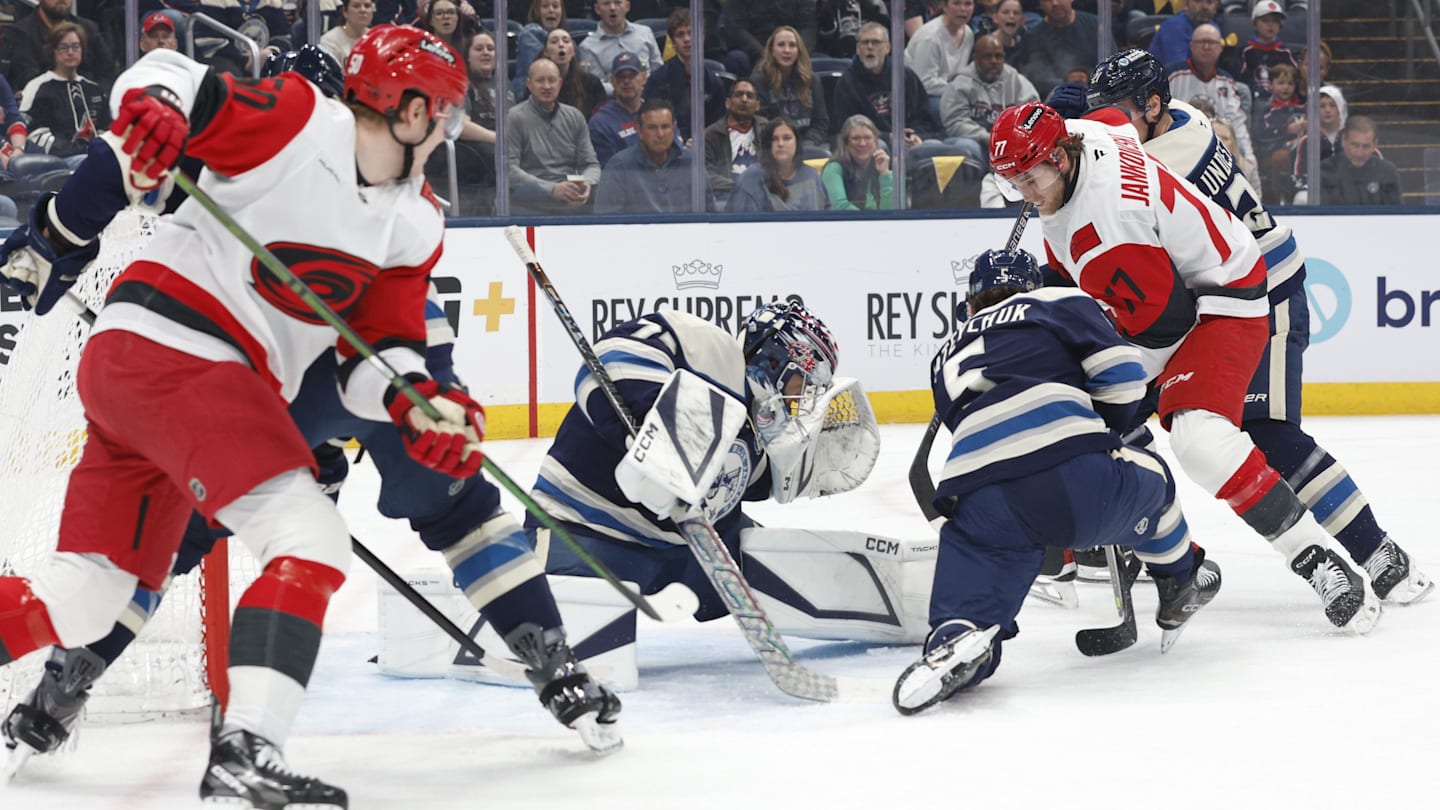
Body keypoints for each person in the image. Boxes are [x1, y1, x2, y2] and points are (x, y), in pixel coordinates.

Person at [0, 25, 491, 807]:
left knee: (86, 596)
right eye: (446, 118)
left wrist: (419, 404)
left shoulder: (412, 224)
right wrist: (157, 110)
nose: (447, 136)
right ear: (408, 111)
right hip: (179, 350)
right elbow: (165, 76)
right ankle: (247, 748)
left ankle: (239, 745)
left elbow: (372, 360)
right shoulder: (301, 121)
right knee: (309, 534)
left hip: (148, 373)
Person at [989, 98, 1385, 633]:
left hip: (1221, 299)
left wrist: (1060, 328)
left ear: (1061, 157)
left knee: (1198, 440)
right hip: (1176, 284)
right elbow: (1112, 118)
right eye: (1014, 182)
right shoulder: (1087, 134)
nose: (1025, 194)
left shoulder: (1108, 231)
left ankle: (1318, 562)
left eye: (1030, 178)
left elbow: (1162, 322)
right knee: (1085, 412)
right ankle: (1177, 561)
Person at [892, 248, 1220, 715]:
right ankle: (1179, 582)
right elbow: (1125, 381)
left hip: (976, 496)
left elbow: (970, 426)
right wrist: (1105, 427)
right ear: (1035, 282)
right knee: (1156, 478)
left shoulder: (945, 353)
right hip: (1072, 477)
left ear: (969, 306)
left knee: (968, 608)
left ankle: (956, 640)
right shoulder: (1056, 301)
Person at [526, 301, 850, 622]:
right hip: (586, 530)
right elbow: (610, 357)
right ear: (776, 362)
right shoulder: (708, 350)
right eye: (803, 384)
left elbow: (750, 487)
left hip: (680, 553)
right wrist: (656, 431)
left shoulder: (757, 433)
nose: (801, 401)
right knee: (565, 623)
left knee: (777, 566)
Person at [831, 22, 947, 162]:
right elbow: (846, 128)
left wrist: (917, 136)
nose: (870, 47)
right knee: (878, 147)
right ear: (857, 48)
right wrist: (888, 137)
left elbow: (924, 117)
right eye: (865, 42)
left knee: (934, 147)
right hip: (873, 143)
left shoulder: (905, 75)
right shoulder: (847, 82)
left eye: (876, 42)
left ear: (887, 48)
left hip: (910, 141)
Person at [1166, 23, 1258, 195]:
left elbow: (1238, 124)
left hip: (1218, 151)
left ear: (1220, 48)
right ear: (1191, 46)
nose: (1206, 47)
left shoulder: (1227, 81)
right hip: (1181, 148)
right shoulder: (1173, 75)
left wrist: (1250, 159)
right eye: (1201, 42)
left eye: (1212, 42)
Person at [508, 57, 602, 214]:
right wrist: (552, 189)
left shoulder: (575, 116)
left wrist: (586, 183)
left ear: (560, 83)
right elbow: (508, 170)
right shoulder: (514, 117)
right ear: (528, 84)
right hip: (531, 201)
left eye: (552, 80)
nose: (547, 86)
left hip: (571, 197)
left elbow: (591, 164)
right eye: (540, 80)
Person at [595, 99, 711, 213]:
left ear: (673, 129)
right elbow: (606, 223)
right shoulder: (619, 166)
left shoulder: (691, 163)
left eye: (665, 127)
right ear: (639, 131)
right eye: (652, 128)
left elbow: (710, 216)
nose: (660, 134)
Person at [19, 24, 110, 169]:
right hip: (56, 163)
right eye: (63, 47)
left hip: (94, 158)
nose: (70, 52)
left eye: (76, 46)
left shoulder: (94, 89)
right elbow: (32, 133)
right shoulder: (38, 87)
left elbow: (107, 128)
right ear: (53, 51)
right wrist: (74, 150)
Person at [939, 32, 1038, 164]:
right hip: (975, 143)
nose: (994, 61)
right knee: (966, 147)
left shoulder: (1017, 82)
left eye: (998, 56)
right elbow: (955, 122)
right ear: (975, 58)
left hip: (1011, 145)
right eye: (987, 57)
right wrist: (987, 138)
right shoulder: (960, 84)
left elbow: (1034, 115)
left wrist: (1015, 137)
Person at [643, 9, 725, 142]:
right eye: (680, 35)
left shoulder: (714, 82)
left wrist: (703, 141)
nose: (687, 39)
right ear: (673, 42)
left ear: (702, 36)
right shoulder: (658, 79)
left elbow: (718, 125)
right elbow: (651, 122)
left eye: (691, 33)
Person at [0, 0, 116, 93]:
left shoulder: (88, 29)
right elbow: (28, 79)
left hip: (90, 106)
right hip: (44, 108)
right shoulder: (20, 33)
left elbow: (107, 72)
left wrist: (94, 95)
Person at [749, 26, 831, 154]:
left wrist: (806, 144)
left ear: (799, 51)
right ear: (772, 50)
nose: (787, 50)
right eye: (781, 45)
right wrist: (783, 144)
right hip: (774, 147)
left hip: (807, 146)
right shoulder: (759, 81)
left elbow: (820, 122)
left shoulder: (812, 80)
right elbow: (760, 124)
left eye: (792, 45)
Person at [726, 117, 829, 211]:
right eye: (774, 139)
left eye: (787, 138)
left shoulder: (811, 176)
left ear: (797, 143)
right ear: (767, 145)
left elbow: (827, 215)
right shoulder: (750, 178)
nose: (780, 144)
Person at [904, 0, 976, 119]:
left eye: (968, 4)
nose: (963, 9)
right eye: (956, 3)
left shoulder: (968, 33)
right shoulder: (930, 37)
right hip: (918, 97)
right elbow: (925, 83)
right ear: (945, 7)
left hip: (947, 91)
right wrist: (959, 90)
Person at [703, 78, 768, 207]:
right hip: (726, 197)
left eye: (750, 96)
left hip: (763, 195)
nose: (744, 99)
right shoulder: (710, 135)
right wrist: (741, 186)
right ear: (728, 102)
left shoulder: (767, 129)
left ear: (757, 105)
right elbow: (706, 175)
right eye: (739, 95)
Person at [1017, 0, 1100, 99]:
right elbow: (1034, 78)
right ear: (1040, 3)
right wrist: (1067, 82)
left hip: (1097, 100)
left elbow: (1111, 63)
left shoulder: (1095, 25)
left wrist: (1087, 80)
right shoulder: (1032, 37)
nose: (1055, 3)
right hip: (1054, 104)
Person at [578, 0, 663, 93]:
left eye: (618, 2)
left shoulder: (645, 33)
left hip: (649, 96)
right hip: (612, 100)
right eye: (606, 4)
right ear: (597, 9)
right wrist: (629, 88)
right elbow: (597, 85)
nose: (612, 8)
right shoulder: (587, 46)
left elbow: (658, 70)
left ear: (627, 6)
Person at [718, 0, 819, 77]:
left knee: (822, 63)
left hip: (792, 49)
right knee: (736, 59)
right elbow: (736, 29)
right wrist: (766, 55)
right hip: (754, 52)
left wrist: (797, 51)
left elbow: (808, 27)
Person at [1319, 115, 1402, 206]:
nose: (1359, 153)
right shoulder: (1325, 170)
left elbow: (1396, 215)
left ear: (1375, 145)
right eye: (1354, 145)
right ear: (1343, 141)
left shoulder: (1387, 172)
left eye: (1366, 146)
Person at [1254, 61, 1303, 203]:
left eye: (1290, 83)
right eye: (1281, 83)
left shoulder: (1301, 107)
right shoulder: (1266, 109)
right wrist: (1286, 129)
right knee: (1281, 157)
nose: (1286, 87)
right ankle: (1277, 199)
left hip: (1297, 151)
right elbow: (1260, 134)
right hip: (1271, 152)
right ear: (1270, 84)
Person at [588, 51, 648, 168]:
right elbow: (610, 170)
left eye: (632, 75)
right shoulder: (601, 123)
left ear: (643, 78)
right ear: (612, 81)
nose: (626, 81)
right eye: (621, 77)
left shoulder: (658, 113)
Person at [821, 114, 894, 209]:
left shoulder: (885, 166)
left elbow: (893, 210)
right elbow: (839, 208)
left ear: (875, 141)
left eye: (867, 138)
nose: (862, 144)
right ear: (846, 143)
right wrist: (873, 221)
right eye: (856, 138)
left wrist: (885, 174)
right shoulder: (833, 169)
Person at [1238, 0, 1296, 105]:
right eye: (1265, 20)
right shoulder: (1245, 51)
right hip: (1252, 102)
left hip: (1281, 103)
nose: (1271, 25)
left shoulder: (1285, 52)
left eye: (1275, 21)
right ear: (1255, 24)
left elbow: (1294, 78)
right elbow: (1239, 80)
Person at [544, 28, 606, 118]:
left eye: (566, 41)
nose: (561, 45)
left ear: (573, 51)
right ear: (546, 52)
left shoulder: (591, 83)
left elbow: (602, 118)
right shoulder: (538, 84)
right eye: (554, 42)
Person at [514, 0, 567, 100]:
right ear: (537, 10)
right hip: (529, 95)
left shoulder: (566, 38)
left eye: (555, 6)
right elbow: (544, 69)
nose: (551, 10)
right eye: (545, 6)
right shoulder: (530, 34)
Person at [1146, 0, 1218, 67]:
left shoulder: (1214, 28)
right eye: (1198, 1)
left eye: (1209, 2)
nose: (1204, 7)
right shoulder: (1174, 26)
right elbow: (1179, 69)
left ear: (1216, 7)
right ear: (1185, 4)